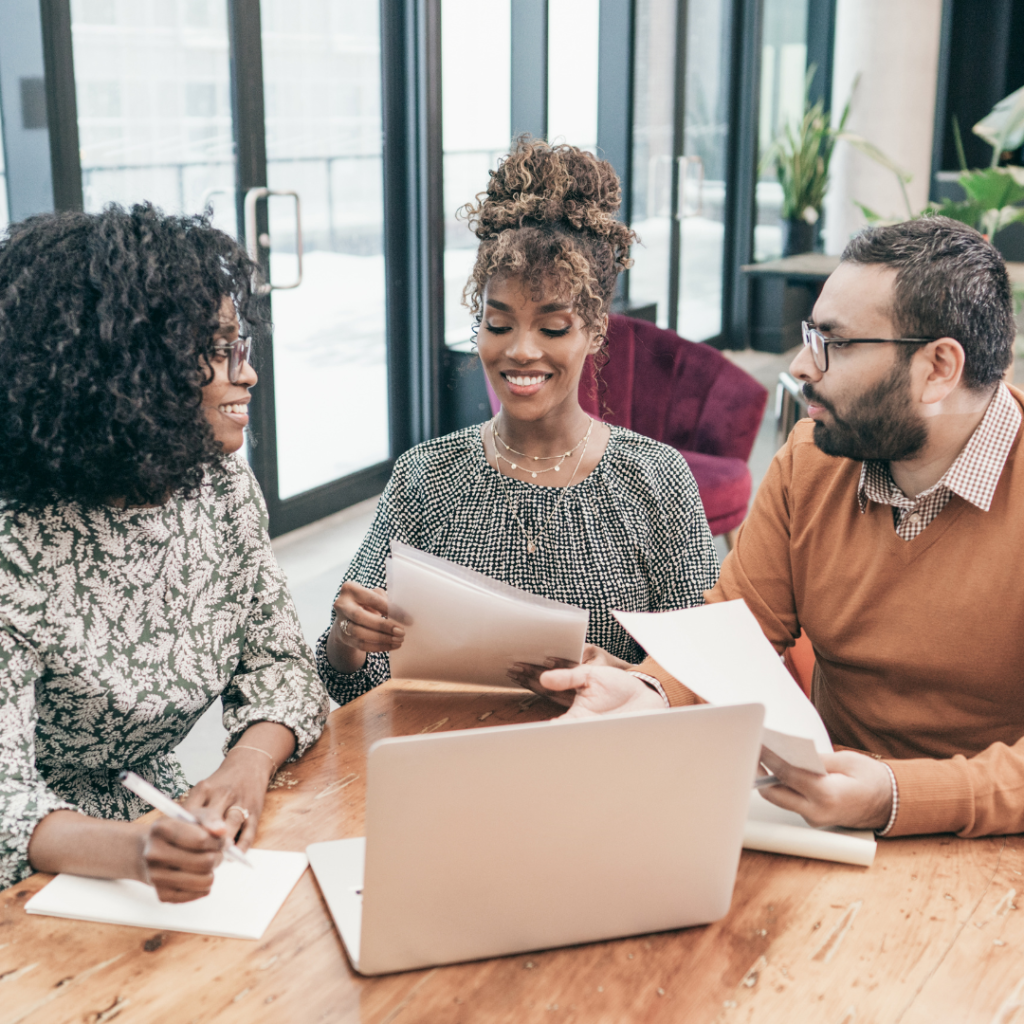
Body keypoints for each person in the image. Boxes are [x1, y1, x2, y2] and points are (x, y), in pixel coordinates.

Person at [538, 217, 1024, 840]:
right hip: (826, 823)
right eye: (808, 336)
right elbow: (733, 630)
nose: (801, 366)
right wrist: (650, 695)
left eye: (835, 343)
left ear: (938, 368)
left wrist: (902, 796)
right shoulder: (812, 458)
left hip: (993, 843)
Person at [0, 204, 329, 898]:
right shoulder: (16, 542)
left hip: (168, 833)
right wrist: (126, 851)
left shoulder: (217, 486)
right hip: (38, 868)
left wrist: (244, 766)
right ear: (127, 370)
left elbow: (281, 663)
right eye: (217, 349)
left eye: (240, 344)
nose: (249, 376)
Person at [317, 138, 719, 704]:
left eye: (552, 328)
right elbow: (344, 679)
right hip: (448, 758)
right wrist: (348, 637)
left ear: (595, 331)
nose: (521, 351)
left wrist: (624, 676)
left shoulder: (655, 478)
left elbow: (704, 670)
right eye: (499, 325)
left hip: (599, 760)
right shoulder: (425, 477)